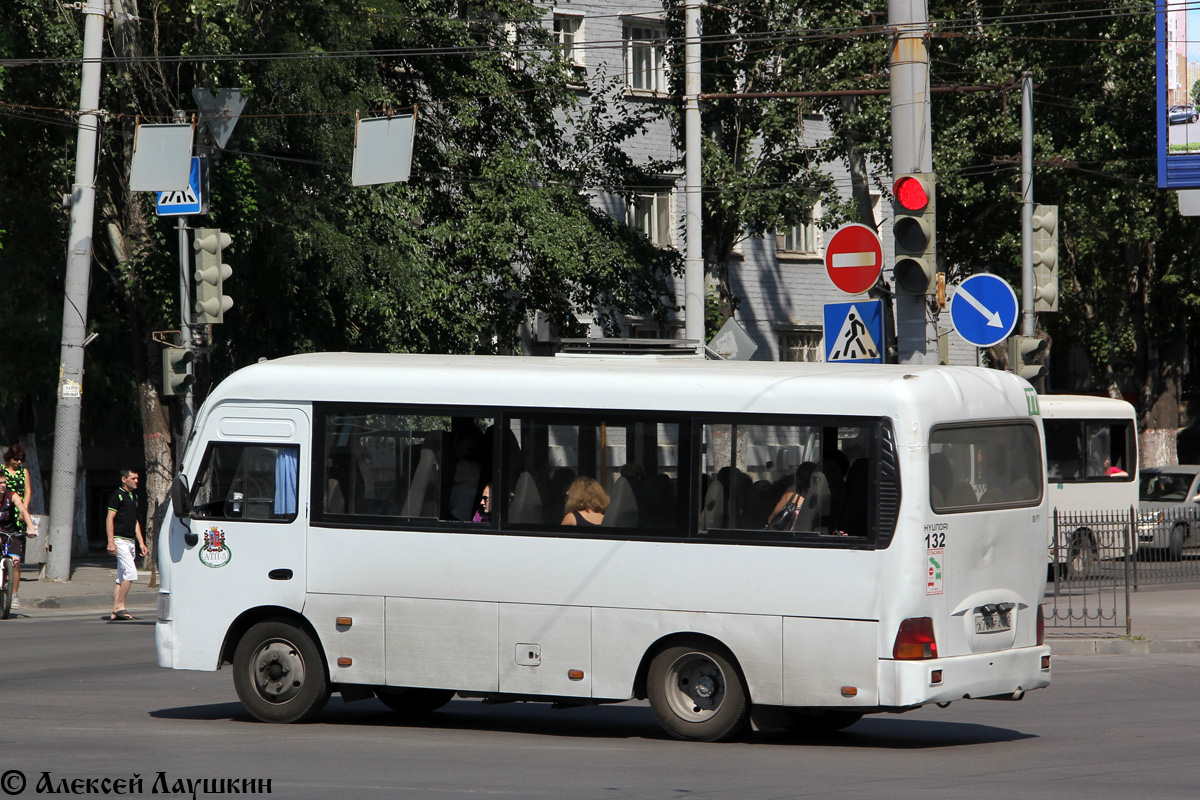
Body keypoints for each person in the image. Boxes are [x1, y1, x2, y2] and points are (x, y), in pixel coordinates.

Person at [106, 469, 147, 621]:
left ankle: (114, 611)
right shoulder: (117, 495)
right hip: (119, 539)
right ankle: (121, 606)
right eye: (133, 478)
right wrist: (111, 542)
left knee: (121, 577)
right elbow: (110, 519)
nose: (136, 481)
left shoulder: (134, 496)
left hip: (130, 540)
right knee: (131, 573)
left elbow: (135, 521)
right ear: (124, 479)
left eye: (137, 478)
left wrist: (141, 542)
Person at [0, 471, 36, 608]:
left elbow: (22, 509)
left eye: (4, 482)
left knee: (15, 562)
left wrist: (31, 528)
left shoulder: (11, 495)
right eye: (0, 483)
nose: (3, 486)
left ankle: (14, 594)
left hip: (11, 532)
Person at [767, 462, 816, 529]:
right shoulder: (822, 496)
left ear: (798, 479)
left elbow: (772, 518)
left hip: (789, 537)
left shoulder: (793, 491)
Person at [3, 443, 32, 537]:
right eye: (16, 459)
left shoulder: (24, 472)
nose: (19, 462)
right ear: (10, 457)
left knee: (17, 536)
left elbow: (27, 491)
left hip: (19, 506)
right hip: (4, 505)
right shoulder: (1, 470)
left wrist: (24, 509)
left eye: (21, 459)